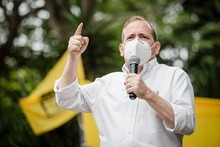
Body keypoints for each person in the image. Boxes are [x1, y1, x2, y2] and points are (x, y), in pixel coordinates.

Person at [54, 16, 195, 147]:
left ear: (156, 47)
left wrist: (148, 94)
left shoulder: (175, 76)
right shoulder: (106, 84)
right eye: (131, 37)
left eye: (144, 36)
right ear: (122, 49)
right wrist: (73, 57)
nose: (136, 42)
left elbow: (188, 124)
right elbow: (66, 97)